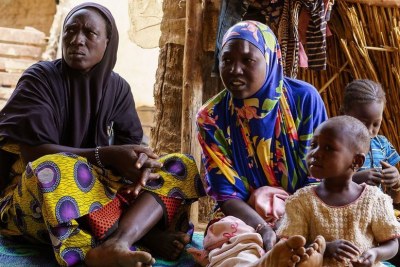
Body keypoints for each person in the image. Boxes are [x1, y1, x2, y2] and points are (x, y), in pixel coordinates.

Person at [0, 3, 204, 267]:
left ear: (108, 42)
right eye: (70, 31)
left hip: (101, 194)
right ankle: (99, 248)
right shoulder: (40, 79)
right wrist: (105, 155)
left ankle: (118, 241)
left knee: (181, 165)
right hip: (35, 201)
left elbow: (130, 150)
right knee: (54, 168)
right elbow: (32, 153)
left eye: (89, 33)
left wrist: (140, 168)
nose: (77, 40)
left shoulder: (117, 88)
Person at [196, 20, 327, 252]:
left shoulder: (304, 100)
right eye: (227, 60)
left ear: (270, 59)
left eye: (247, 60)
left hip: (305, 210)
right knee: (227, 238)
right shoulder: (211, 117)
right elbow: (226, 195)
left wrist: (288, 223)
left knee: (330, 235)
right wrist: (263, 229)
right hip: (245, 218)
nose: (235, 69)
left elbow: (317, 177)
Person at [277, 115, 400, 266]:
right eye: (314, 144)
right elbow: (289, 247)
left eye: (328, 148)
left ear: (356, 161)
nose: (315, 153)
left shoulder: (374, 199)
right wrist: (324, 248)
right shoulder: (301, 202)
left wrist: (375, 253)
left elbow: (392, 243)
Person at [340, 79, 400, 200]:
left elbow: (396, 200)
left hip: (377, 213)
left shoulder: (382, 144)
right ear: (343, 114)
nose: (369, 131)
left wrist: (396, 182)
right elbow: (322, 187)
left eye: (376, 124)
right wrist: (353, 179)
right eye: (362, 123)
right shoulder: (336, 147)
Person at [187, 215, 325, 267]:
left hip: (229, 255)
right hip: (254, 246)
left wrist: (201, 256)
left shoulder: (214, 251)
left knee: (240, 262)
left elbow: (199, 256)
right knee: (246, 259)